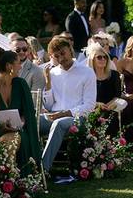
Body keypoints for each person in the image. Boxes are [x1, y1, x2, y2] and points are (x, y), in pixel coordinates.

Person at [40, 37, 97, 173]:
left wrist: (64, 114)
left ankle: (42, 169)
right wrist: (47, 82)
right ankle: (25, 167)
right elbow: (48, 104)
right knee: (30, 122)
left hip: (77, 117)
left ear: (70, 50)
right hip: (54, 115)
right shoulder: (52, 73)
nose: (61, 58)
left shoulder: (87, 72)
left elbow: (89, 105)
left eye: (63, 53)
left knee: (59, 123)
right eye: (57, 56)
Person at [0, 50, 40, 169]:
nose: (20, 66)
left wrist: (19, 124)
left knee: (7, 141)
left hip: (18, 130)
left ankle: (9, 180)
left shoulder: (21, 84)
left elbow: (28, 113)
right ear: (9, 66)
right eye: (18, 63)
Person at [87, 42, 123, 136]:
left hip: (111, 107)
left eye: (105, 57)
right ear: (92, 60)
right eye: (99, 57)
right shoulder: (87, 77)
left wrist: (108, 106)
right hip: (93, 108)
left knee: (109, 114)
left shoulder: (114, 75)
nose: (103, 59)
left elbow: (117, 95)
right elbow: (84, 97)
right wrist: (97, 105)